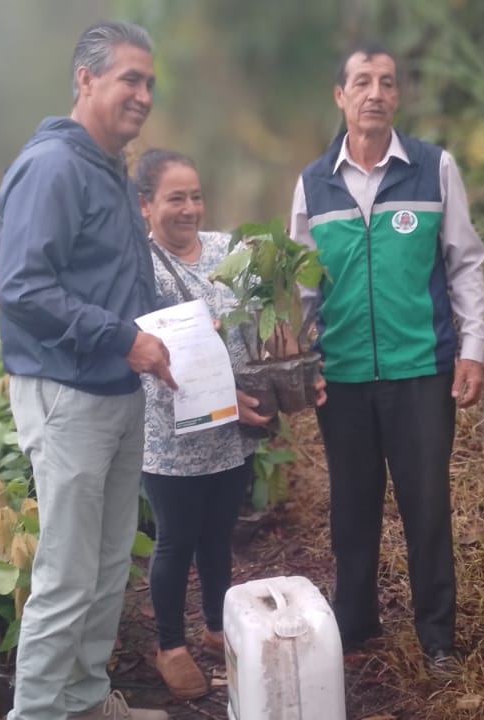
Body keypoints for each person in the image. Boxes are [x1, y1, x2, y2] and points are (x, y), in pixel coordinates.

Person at [288, 42, 484, 677]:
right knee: (351, 506)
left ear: (397, 96)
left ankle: (437, 638)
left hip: (421, 370)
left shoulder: (434, 168)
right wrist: (305, 363)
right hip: (342, 376)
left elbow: (465, 262)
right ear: (340, 96)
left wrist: (473, 348)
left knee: (426, 507)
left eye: (387, 82)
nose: (375, 93)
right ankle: (354, 627)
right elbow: (302, 287)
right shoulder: (313, 184)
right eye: (362, 82)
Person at [0, 21, 172, 720]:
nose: (143, 94)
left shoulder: (110, 168)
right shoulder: (54, 167)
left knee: (105, 566)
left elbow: (116, 282)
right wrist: (122, 338)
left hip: (116, 389)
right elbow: (24, 289)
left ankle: (86, 701)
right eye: (131, 78)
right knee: (66, 576)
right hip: (68, 393)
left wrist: (173, 337)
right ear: (86, 79)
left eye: (150, 83)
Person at [133, 148, 307, 699]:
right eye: (175, 198)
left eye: (196, 196)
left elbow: (257, 314)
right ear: (145, 205)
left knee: (217, 534)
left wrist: (277, 339)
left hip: (232, 429)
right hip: (171, 437)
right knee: (175, 539)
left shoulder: (227, 250)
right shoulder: (138, 266)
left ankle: (215, 627)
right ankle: (170, 645)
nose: (189, 208)